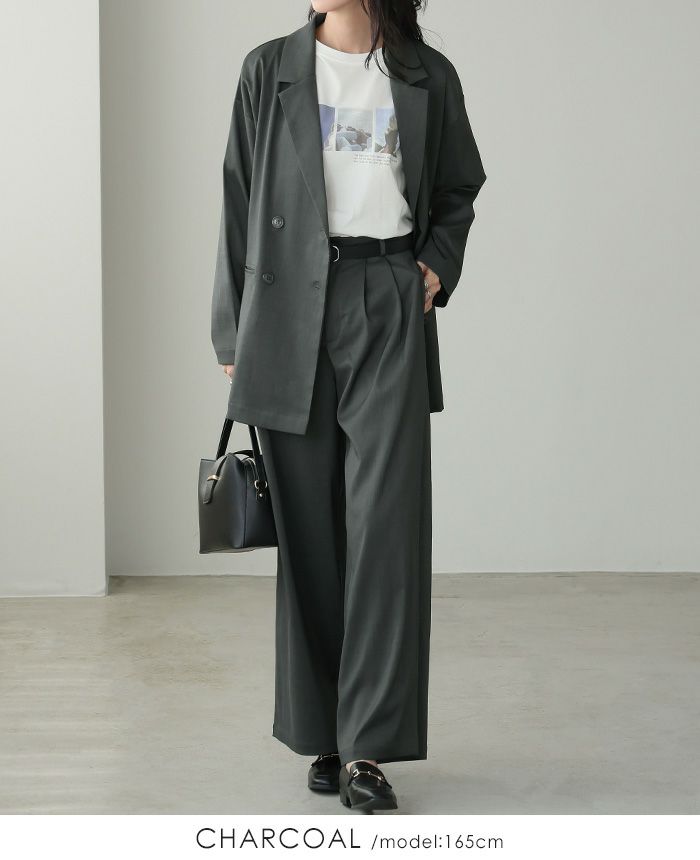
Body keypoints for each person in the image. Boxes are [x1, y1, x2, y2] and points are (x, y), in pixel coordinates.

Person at [211, 0, 486, 812]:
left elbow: (459, 184)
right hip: (286, 307)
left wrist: (435, 265)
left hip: (386, 297)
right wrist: (231, 327)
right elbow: (237, 193)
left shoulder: (428, 75)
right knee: (309, 531)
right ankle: (324, 734)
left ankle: (369, 746)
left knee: (385, 529)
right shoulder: (269, 68)